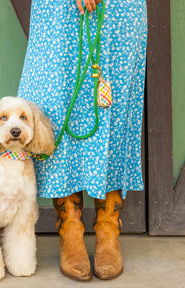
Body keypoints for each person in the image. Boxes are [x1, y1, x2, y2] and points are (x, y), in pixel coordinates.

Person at [18, 0, 147, 281]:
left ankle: (108, 229)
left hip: (119, 9)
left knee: (114, 104)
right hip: (60, 9)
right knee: (57, 102)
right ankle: (70, 229)